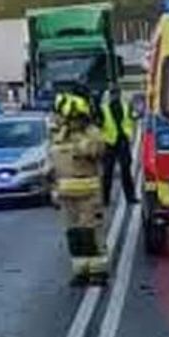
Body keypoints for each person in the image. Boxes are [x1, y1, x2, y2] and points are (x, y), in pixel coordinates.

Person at [52, 90, 108, 285]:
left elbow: (97, 150)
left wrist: (77, 142)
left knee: (90, 233)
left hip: (88, 193)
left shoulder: (91, 133)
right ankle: (80, 271)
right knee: (74, 235)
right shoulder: (58, 135)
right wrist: (52, 188)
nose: (59, 119)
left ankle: (98, 271)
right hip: (66, 194)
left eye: (63, 116)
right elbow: (53, 163)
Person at [99, 86, 137, 206]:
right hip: (109, 142)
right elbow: (100, 125)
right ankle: (105, 199)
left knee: (126, 171)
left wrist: (128, 134)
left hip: (122, 141)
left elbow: (131, 120)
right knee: (107, 173)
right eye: (113, 94)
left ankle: (130, 197)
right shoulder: (104, 109)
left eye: (117, 93)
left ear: (120, 94)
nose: (115, 96)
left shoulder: (126, 106)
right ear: (110, 95)